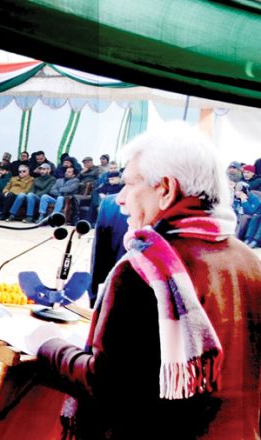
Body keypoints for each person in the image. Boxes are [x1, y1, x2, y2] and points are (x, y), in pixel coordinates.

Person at [31, 122, 261, 439]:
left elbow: (106, 386)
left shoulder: (145, 269)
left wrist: (46, 345)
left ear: (164, 189)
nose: (120, 199)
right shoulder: (250, 261)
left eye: (129, 184)